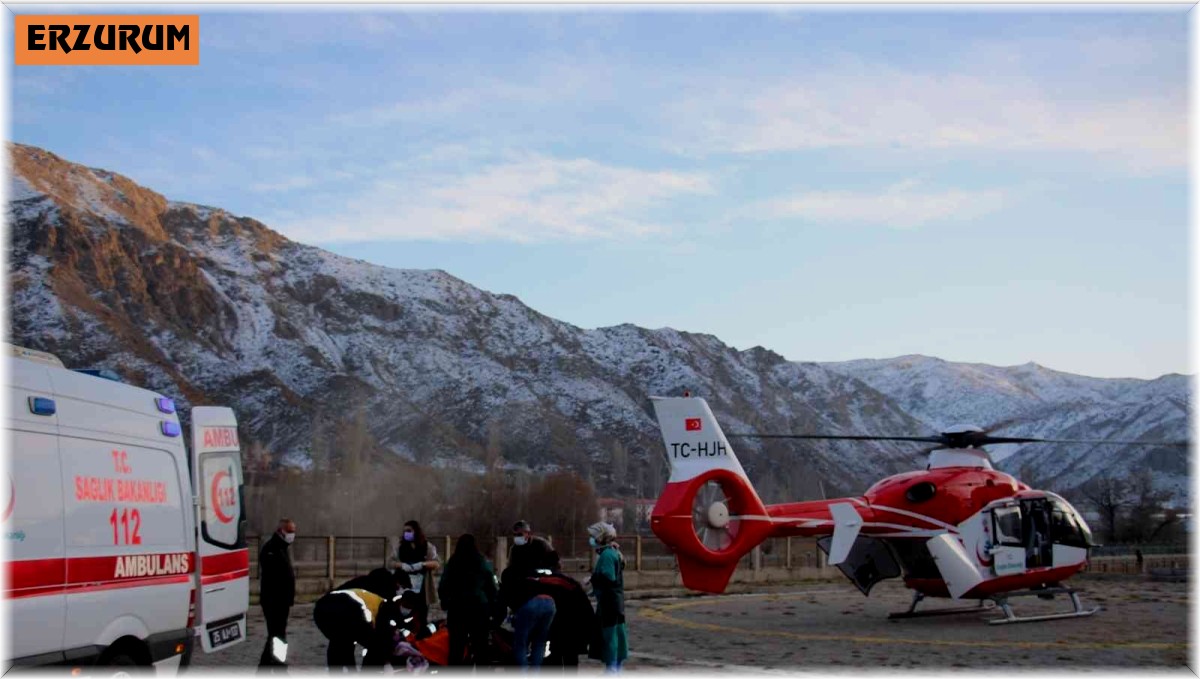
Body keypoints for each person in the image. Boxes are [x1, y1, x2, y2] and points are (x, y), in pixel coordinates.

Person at [312, 581, 405, 670]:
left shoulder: (372, 599)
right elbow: (374, 636)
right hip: (346, 607)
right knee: (373, 645)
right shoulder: (380, 607)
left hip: (321, 610)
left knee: (340, 641)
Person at [437, 534, 498, 666]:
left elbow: (443, 585)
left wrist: (445, 601)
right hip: (479, 609)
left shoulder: (453, 562)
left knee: (456, 648)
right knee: (481, 648)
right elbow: (492, 587)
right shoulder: (481, 562)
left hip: (457, 608)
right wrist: (493, 606)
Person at [531, 552, 596, 669]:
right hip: (569, 631)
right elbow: (585, 608)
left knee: (551, 661)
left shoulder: (536, 581)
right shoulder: (568, 583)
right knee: (570, 661)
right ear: (558, 564)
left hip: (548, 630)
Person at [586, 522, 628, 673]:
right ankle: (616, 669)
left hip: (609, 603)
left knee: (609, 637)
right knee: (618, 636)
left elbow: (608, 577)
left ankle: (611, 670)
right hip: (616, 602)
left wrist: (592, 579)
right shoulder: (614, 552)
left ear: (601, 537)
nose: (592, 539)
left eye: (593, 536)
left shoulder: (607, 555)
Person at [258, 518, 296, 669]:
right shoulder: (271, 549)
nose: (292, 534)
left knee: (275, 633)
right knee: (278, 634)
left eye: (293, 531)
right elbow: (275, 577)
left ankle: (266, 664)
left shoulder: (281, 547)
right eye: (290, 531)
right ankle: (278, 664)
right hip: (274, 601)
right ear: (281, 531)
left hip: (281, 600)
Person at [393, 520, 440, 621]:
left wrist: (422, 564)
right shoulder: (400, 547)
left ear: (416, 531)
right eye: (405, 531)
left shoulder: (427, 546)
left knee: (421, 615)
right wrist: (402, 565)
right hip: (405, 588)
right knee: (404, 615)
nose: (406, 533)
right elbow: (391, 562)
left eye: (409, 531)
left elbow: (436, 563)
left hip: (422, 587)